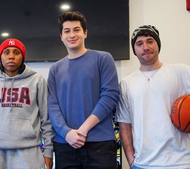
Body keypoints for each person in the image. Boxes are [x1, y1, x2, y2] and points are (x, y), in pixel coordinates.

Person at [47, 11, 120, 169]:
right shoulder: (55, 69)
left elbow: (110, 96)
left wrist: (82, 130)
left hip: (100, 144)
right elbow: (52, 106)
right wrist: (66, 133)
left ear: (85, 33)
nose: (72, 34)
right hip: (65, 145)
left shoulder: (103, 59)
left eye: (76, 29)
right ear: (61, 36)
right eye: (67, 31)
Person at [116, 25, 190, 169]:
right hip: (143, 164)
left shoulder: (181, 71)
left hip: (182, 162)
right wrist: (131, 160)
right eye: (139, 43)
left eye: (150, 41)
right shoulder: (126, 83)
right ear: (134, 50)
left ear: (158, 45)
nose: (145, 47)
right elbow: (124, 124)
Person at [0, 38, 55, 169]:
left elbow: (46, 120)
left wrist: (48, 152)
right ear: (0, 56)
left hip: (29, 153)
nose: (11, 56)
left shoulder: (37, 81)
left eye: (16, 52)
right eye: (6, 52)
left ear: (23, 57)